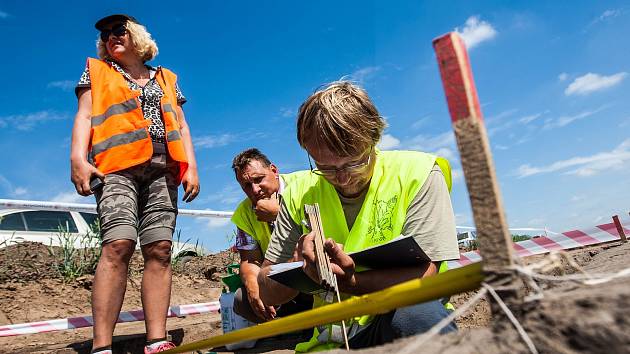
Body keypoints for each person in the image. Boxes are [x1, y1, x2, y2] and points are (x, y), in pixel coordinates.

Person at [257, 81, 460, 352]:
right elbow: (266, 288)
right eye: (325, 167)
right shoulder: (298, 195)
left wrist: (350, 282)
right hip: (333, 340)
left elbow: (427, 276)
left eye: (354, 162)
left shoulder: (418, 173)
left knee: (419, 315)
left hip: (396, 324)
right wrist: (297, 270)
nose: (341, 177)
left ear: (374, 139)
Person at [70, 14, 199, 354]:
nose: (110, 36)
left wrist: (191, 168)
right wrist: (78, 159)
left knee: (159, 249)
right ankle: (102, 346)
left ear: (137, 36)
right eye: (105, 34)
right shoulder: (96, 71)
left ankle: (156, 340)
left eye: (118, 30)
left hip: (163, 169)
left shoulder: (167, 77)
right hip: (115, 168)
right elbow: (84, 115)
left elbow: (182, 125)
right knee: (118, 245)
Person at [230, 148, 312, 323]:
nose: (255, 189)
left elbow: (323, 229)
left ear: (274, 171)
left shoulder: (306, 184)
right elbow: (249, 260)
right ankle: (292, 324)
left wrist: (280, 215)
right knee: (242, 300)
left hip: (314, 270)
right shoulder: (245, 213)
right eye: (246, 185)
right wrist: (253, 286)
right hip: (283, 282)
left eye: (259, 180)